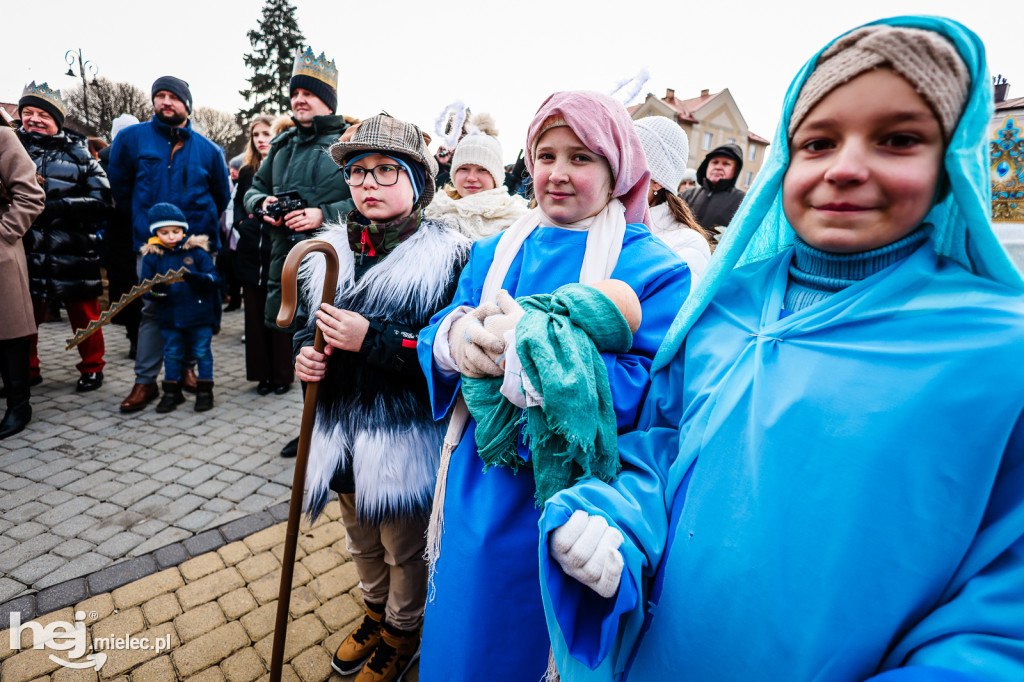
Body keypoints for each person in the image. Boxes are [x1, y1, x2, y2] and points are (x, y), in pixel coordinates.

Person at [540, 17, 1024, 682]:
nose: (847, 168)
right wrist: (616, 520)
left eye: (899, 139)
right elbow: (664, 447)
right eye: (818, 142)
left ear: (951, 167)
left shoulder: (1000, 351)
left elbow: (1003, 615)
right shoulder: (723, 309)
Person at [415, 91, 691, 681]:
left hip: (571, 507)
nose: (557, 174)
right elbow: (446, 320)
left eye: (581, 157)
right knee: (461, 638)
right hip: (476, 482)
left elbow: (650, 391)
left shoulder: (654, 268)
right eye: (544, 155)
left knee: (531, 647)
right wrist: (455, 342)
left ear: (617, 167)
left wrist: (536, 364)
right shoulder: (493, 249)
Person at [291, 114, 470, 682]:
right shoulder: (324, 251)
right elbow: (305, 326)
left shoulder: (450, 259)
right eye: (358, 172)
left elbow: (450, 352)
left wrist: (375, 340)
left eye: (386, 170)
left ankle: (403, 628)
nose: (368, 183)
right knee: (359, 537)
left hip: (401, 437)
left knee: (403, 546)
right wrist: (305, 355)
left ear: (416, 179)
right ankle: (373, 611)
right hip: (337, 427)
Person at [243, 46, 355, 457]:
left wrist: (320, 214)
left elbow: (367, 201)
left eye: (308, 92)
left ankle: (337, 432)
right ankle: (311, 426)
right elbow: (254, 190)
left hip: (334, 267)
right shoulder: (283, 144)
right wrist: (263, 206)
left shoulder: (349, 140)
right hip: (286, 264)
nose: (298, 100)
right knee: (304, 350)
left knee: (333, 351)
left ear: (328, 100)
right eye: (295, 93)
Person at [109, 75, 231, 413]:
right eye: (160, 95)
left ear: (186, 104)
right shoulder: (132, 140)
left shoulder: (209, 150)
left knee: (195, 307)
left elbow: (220, 196)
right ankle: (145, 381)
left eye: (173, 97)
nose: (166, 102)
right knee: (151, 309)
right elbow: (120, 187)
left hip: (196, 246)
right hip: (152, 246)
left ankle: (186, 371)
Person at [17, 81, 111, 393]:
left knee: (84, 314)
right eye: (27, 112)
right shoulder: (11, 147)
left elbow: (103, 201)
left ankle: (92, 367)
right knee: (24, 315)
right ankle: (26, 369)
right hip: (26, 249)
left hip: (73, 249)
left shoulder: (80, 153)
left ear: (57, 120)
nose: (33, 119)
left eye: (42, 114)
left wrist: (59, 207)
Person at [140, 203, 220, 412]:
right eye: (164, 232)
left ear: (184, 230)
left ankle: (205, 391)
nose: (172, 236)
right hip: (169, 316)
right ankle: (171, 392)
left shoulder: (197, 253)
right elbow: (145, 288)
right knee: (172, 353)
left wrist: (196, 278)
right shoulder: (152, 256)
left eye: (176, 231)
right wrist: (158, 291)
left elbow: (214, 279)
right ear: (155, 233)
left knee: (202, 352)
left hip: (199, 314)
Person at [234, 115, 294, 396]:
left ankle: (283, 375)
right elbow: (237, 207)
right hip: (250, 254)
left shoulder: (286, 168)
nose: (261, 139)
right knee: (255, 319)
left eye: (266, 133)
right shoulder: (247, 173)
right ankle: (262, 375)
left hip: (278, 252)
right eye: (256, 134)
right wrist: (244, 224)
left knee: (280, 317)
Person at [0, 121, 46, 439]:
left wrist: (3, 235)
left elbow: (30, 195)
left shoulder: (2, 137)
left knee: (9, 330)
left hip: (1, 249)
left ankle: (19, 405)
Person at [633, 116, 713, 287]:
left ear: (657, 181)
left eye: (629, 166)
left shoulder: (686, 243)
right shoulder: (602, 221)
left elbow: (678, 309)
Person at [424, 112, 529, 241]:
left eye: (482, 170)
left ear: (496, 176)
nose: (472, 178)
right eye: (464, 168)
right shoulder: (434, 211)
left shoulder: (516, 220)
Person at [98, 114, 141, 361]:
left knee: (130, 287)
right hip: (124, 231)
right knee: (132, 287)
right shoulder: (106, 162)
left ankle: (136, 336)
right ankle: (136, 337)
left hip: (125, 233)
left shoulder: (107, 160)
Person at [680, 143, 745, 233]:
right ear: (707, 166)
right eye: (715, 162)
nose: (718, 167)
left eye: (726, 164)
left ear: (735, 171)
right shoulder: (685, 195)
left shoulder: (743, 201)